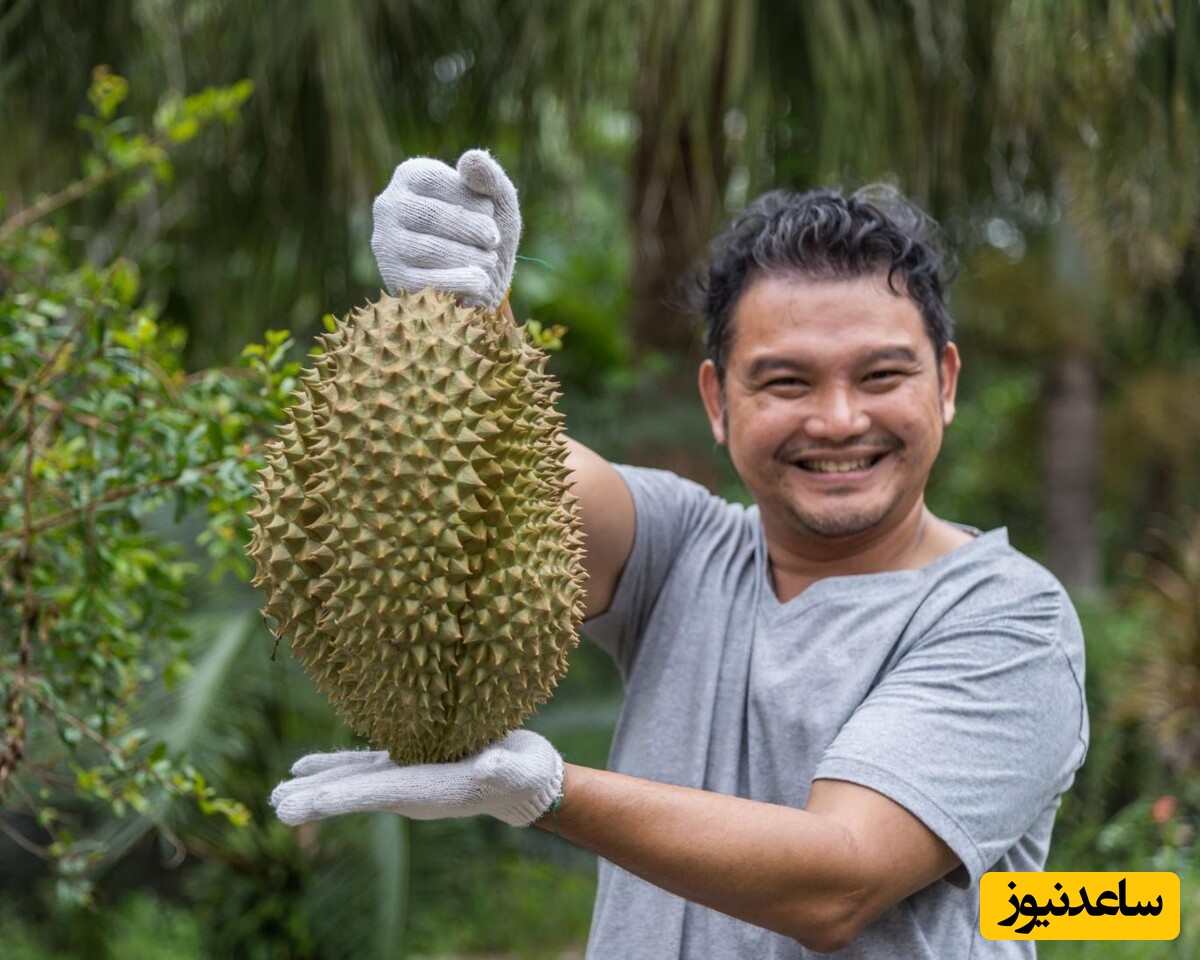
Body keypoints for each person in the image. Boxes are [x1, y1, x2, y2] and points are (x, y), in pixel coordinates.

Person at [270, 151, 1089, 958]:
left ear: (945, 382)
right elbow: (508, 474)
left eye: (881, 375)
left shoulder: (1009, 618)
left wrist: (548, 794)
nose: (839, 419)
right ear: (717, 401)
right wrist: (471, 298)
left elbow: (838, 883)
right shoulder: (687, 547)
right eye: (786, 383)